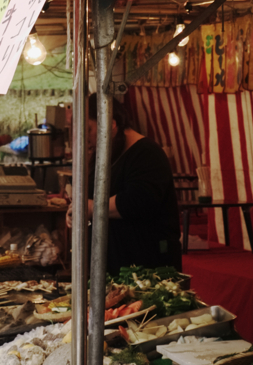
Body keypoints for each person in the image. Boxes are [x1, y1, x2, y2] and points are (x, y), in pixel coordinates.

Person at [68, 95, 182, 274]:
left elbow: (135, 201)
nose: (85, 138)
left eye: (88, 129)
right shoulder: (106, 155)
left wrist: (90, 208)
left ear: (110, 124)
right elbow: (88, 197)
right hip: (111, 265)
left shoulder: (147, 153)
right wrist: (77, 210)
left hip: (146, 268)